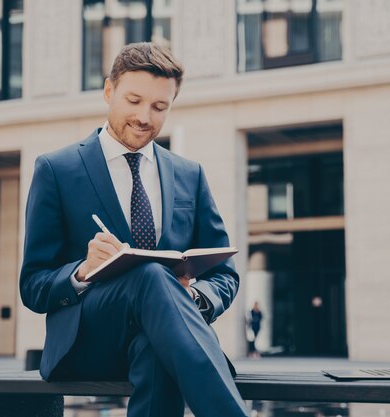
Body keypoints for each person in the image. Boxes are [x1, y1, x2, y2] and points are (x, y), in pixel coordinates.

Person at [20, 42, 248, 417]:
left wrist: (193, 299)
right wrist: (81, 271)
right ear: (109, 91)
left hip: (165, 336)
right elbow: (33, 285)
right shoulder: (56, 169)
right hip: (88, 341)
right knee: (150, 275)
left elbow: (224, 274)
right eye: (134, 101)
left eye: (160, 107)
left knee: (155, 341)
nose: (145, 117)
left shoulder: (189, 175)